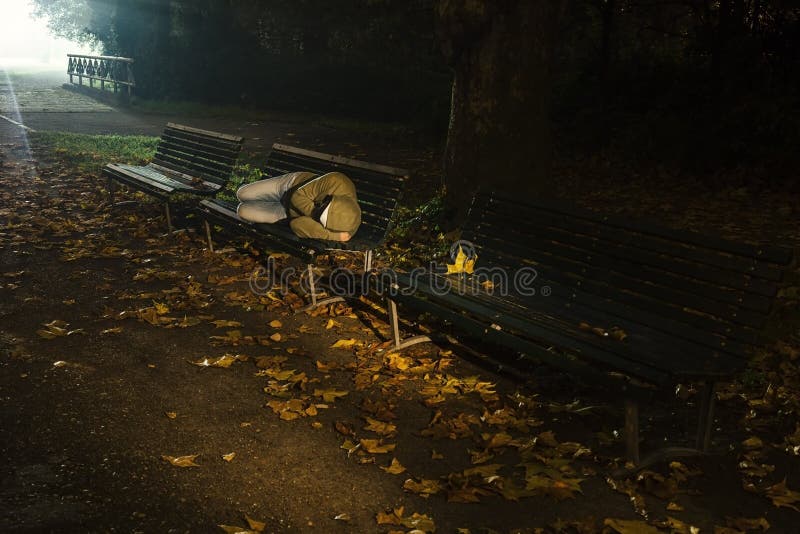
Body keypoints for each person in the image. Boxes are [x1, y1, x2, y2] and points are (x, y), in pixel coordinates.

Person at [235, 171, 361, 241]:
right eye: (322, 205)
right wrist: (313, 214)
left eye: (319, 217)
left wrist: (333, 236)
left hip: (288, 215)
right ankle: (256, 189)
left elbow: (297, 225)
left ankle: (264, 201)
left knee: (242, 211)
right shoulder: (337, 180)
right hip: (290, 186)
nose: (317, 209)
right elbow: (297, 196)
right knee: (242, 194)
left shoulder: (341, 229)